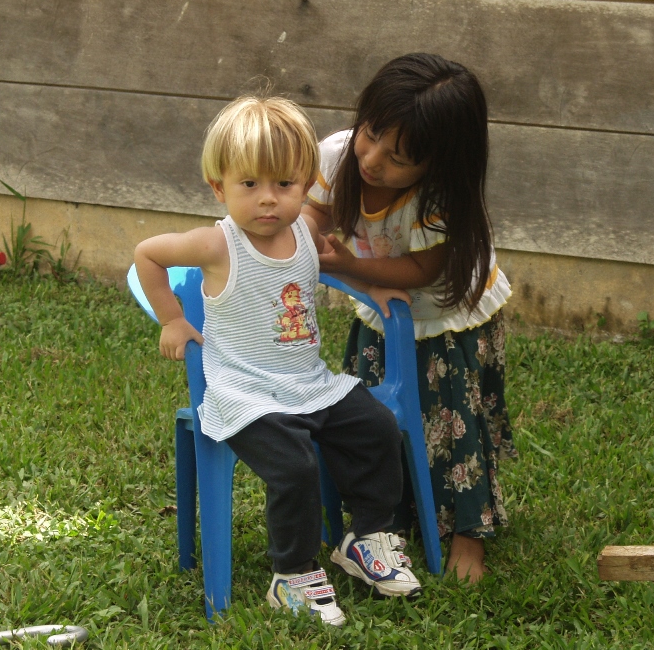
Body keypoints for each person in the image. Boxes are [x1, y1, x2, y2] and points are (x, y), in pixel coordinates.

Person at [134, 96, 421, 627]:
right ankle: (292, 574)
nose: (268, 199)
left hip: (307, 383)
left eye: (284, 184)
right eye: (249, 184)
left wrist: (371, 285)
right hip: (245, 393)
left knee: (378, 427)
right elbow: (147, 254)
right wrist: (173, 319)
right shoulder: (216, 245)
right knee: (295, 466)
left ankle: (365, 536)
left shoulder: (304, 233)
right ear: (219, 187)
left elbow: (329, 264)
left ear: (307, 184)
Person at [304, 53, 518, 585]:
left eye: (397, 157)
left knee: (453, 424)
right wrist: (304, 235)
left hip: (448, 319)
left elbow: (422, 270)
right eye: (371, 133)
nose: (372, 159)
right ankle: (391, 518)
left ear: (438, 164)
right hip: (384, 313)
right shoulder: (336, 155)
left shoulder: (438, 197)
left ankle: (468, 533)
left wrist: (348, 266)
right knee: (376, 415)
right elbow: (315, 211)